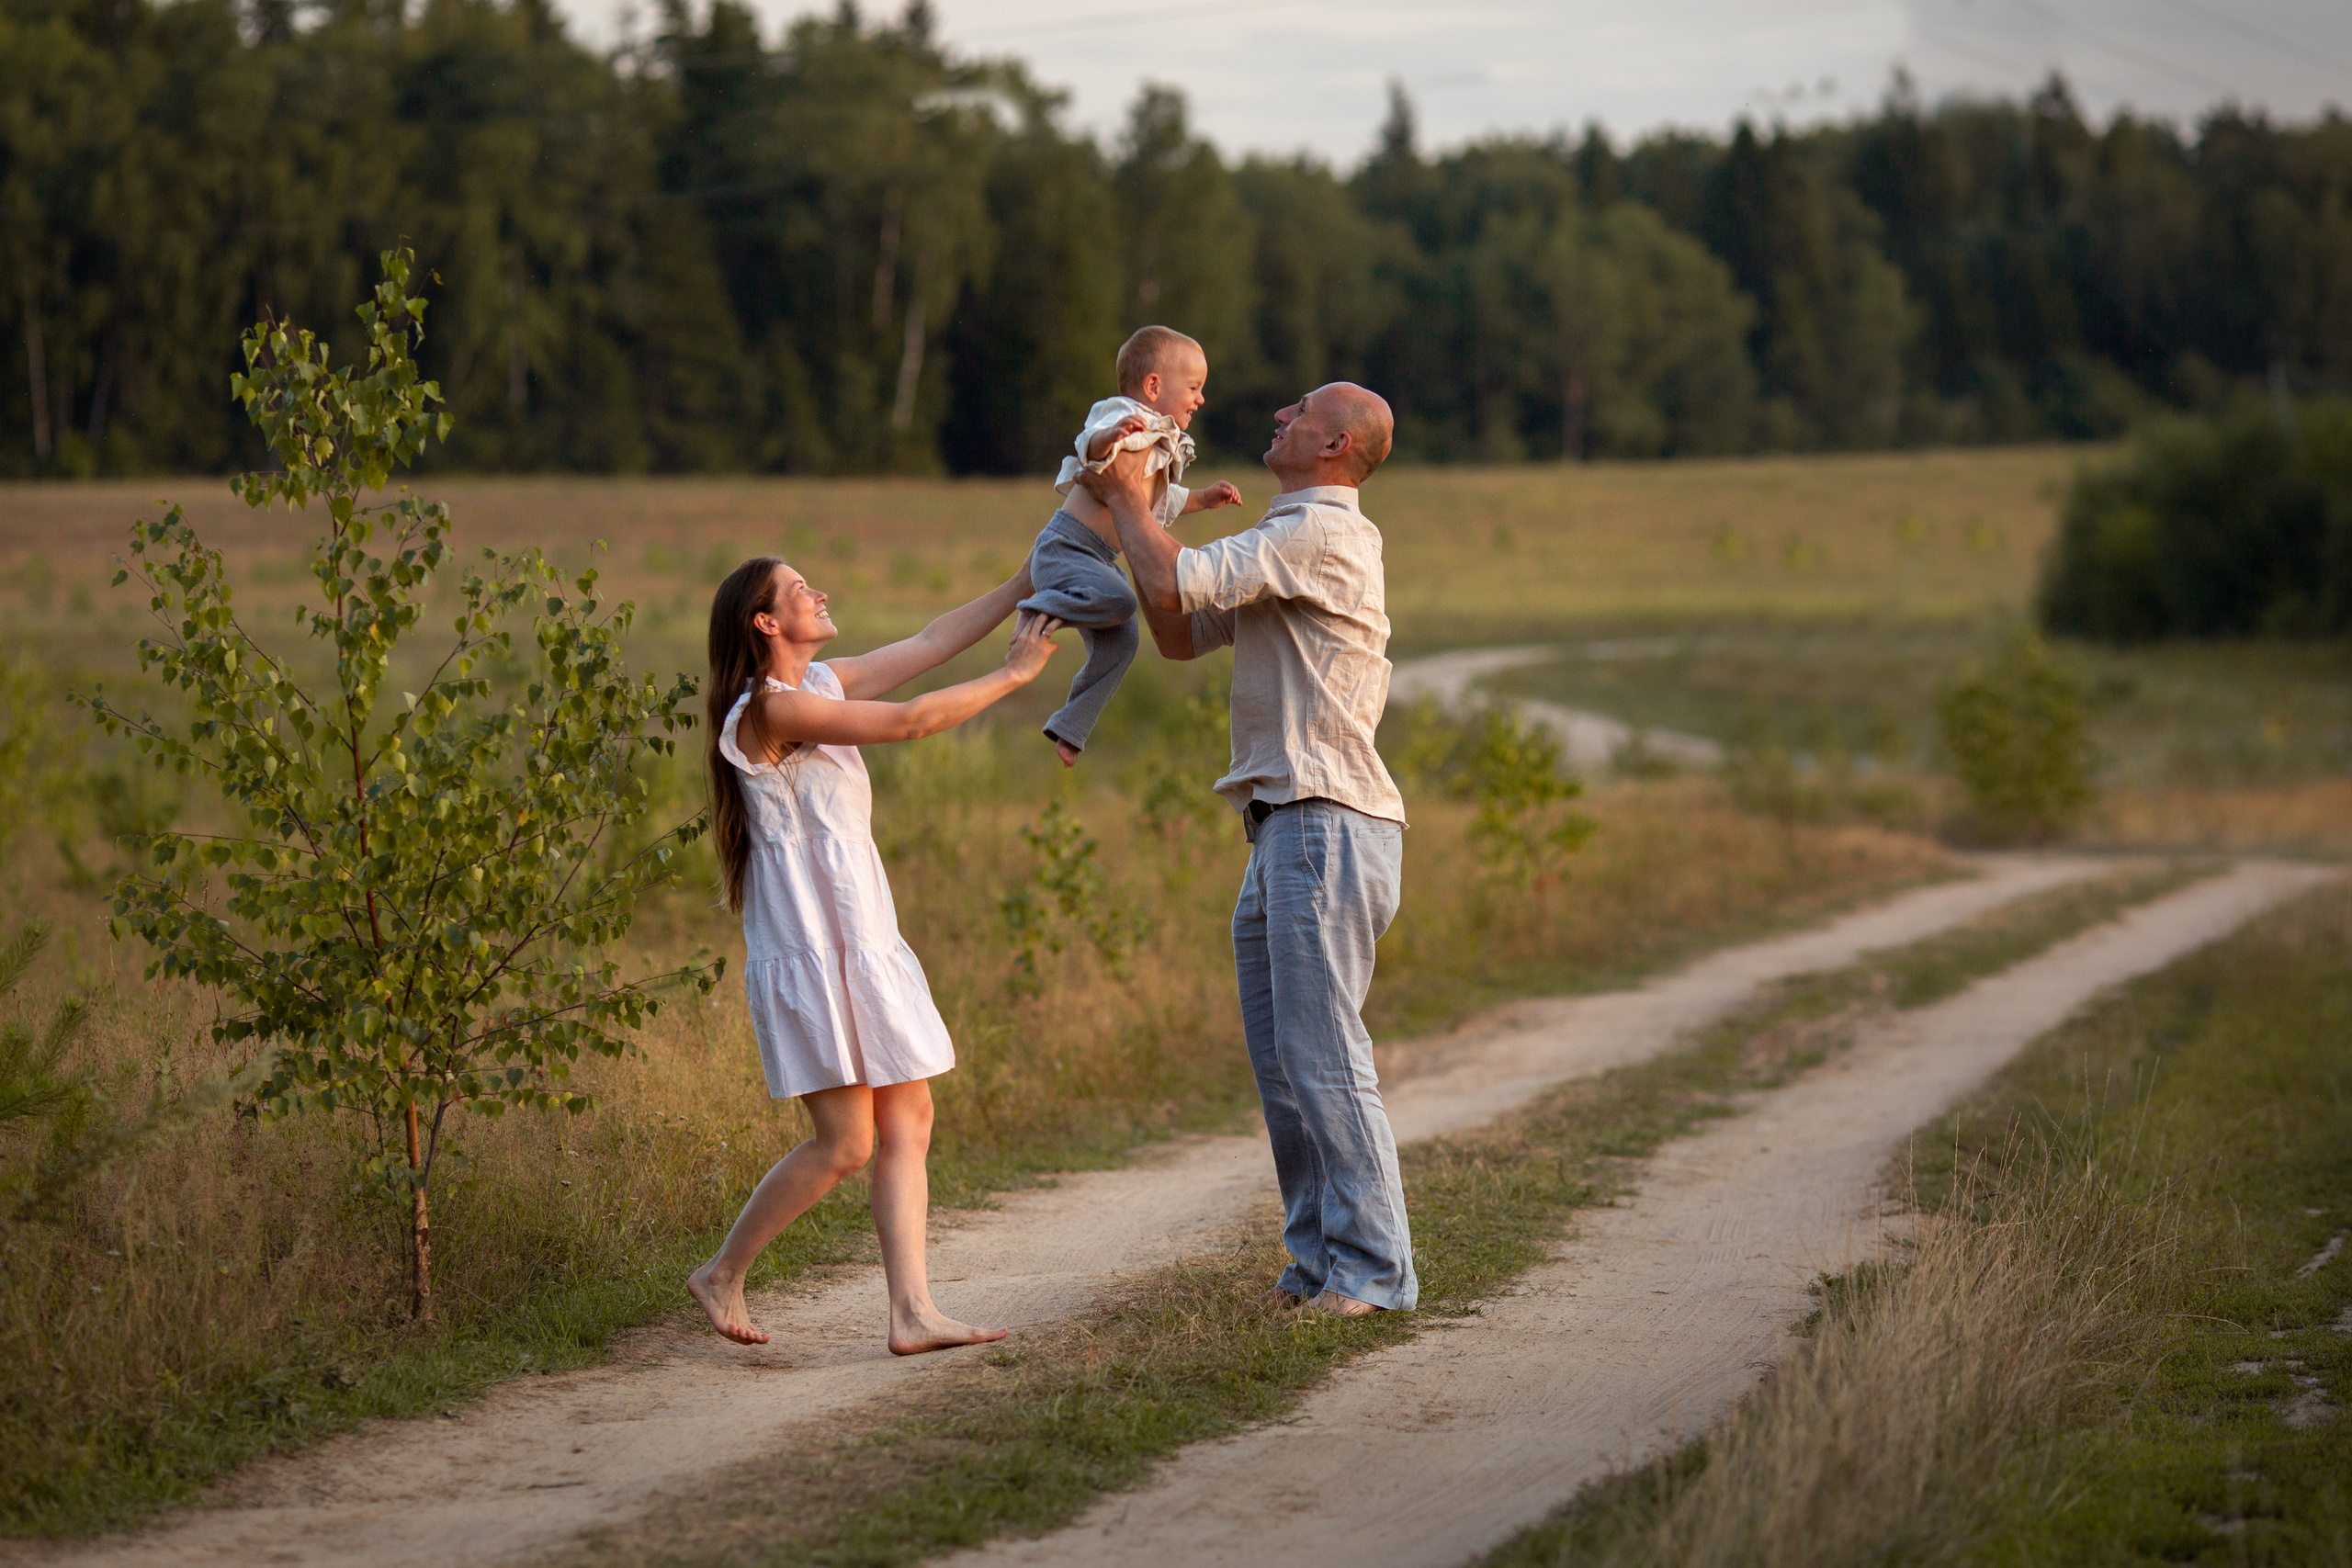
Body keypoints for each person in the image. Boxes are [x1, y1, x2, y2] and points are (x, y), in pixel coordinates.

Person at [1073, 381, 1415, 1317]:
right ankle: (1317, 1265)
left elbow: (1179, 578)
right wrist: (1125, 518)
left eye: (1297, 413)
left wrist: (1127, 497)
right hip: (1285, 827)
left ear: (1334, 443)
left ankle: (1374, 1273)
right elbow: (1181, 631)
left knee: (1323, 1056)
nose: (1277, 417)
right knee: (1285, 1063)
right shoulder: (1287, 537)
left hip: (1325, 823)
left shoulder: (1323, 533)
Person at [686, 558, 1063, 1353]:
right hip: (812, 949)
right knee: (847, 1143)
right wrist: (1012, 675)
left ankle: (911, 1312)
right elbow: (909, 721)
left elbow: (930, 641)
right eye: (798, 591)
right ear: (765, 623)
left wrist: (1021, 581)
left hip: (859, 935)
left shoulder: (820, 679)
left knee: (909, 1116)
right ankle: (721, 1272)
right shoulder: (774, 708)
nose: (819, 593)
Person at [1021, 324, 1242, 768]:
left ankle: (1069, 727)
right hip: (1067, 548)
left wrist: (1205, 498)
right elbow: (1089, 446)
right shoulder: (1123, 414)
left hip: (1099, 559)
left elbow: (1157, 500)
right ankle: (1038, 610)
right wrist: (1113, 435)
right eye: (1194, 387)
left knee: (1123, 642)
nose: (1200, 399)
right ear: (1153, 386)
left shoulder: (1162, 439)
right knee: (1121, 601)